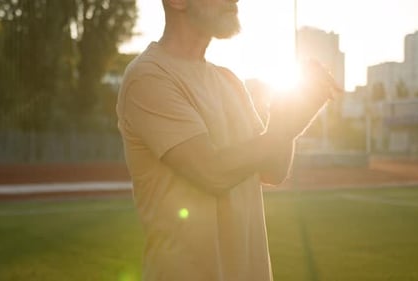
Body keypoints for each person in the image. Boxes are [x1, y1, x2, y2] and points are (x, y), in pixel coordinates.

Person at [116, 0, 341, 280]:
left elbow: (274, 169)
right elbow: (211, 172)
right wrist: (282, 129)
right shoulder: (149, 77)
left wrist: (293, 109)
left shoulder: (229, 81)